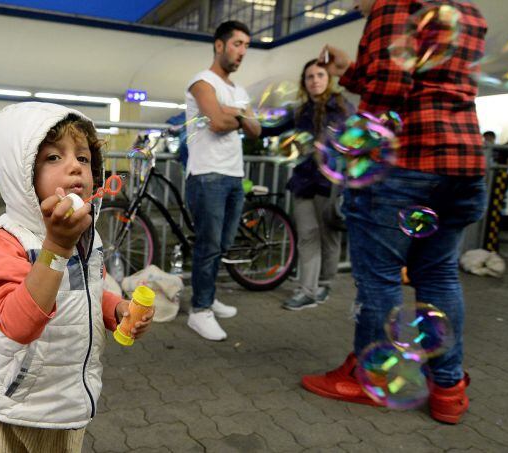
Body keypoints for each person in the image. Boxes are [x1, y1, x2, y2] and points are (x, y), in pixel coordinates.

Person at [306, 0, 487, 424]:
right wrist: (349, 70)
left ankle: (372, 377)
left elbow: (388, 91)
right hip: (463, 163)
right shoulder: (468, 11)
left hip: (408, 166)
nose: (353, 4)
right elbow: (421, 76)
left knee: (380, 277)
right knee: (439, 274)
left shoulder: (392, 4)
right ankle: (448, 388)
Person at [0, 102, 153, 452]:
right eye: (54, 158)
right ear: (21, 174)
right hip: (16, 409)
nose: (74, 167)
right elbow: (18, 324)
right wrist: (56, 246)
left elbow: (88, 290)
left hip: (68, 401)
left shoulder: (86, 234)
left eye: (83, 159)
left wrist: (117, 312)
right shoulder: (5, 241)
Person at [183, 21, 261, 341]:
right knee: (209, 244)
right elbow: (216, 122)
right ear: (219, 45)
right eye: (237, 44)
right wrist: (238, 116)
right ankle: (199, 310)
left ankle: (209, 295)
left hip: (233, 176)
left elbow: (257, 131)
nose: (242, 51)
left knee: (223, 245)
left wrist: (237, 115)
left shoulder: (240, 92)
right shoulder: (201, 82)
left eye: (246, 46)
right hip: (207, 175)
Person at [261, 59, 354, 310]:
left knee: (330, 238)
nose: (315, 80)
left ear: (328, 78)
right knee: (307, 235)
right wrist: (242, 120)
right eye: (310, 76)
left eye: (320, 75)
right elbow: (268, 129)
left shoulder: (343, 107)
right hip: (304, 182)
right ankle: (307, 290)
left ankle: (325, 283)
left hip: (331, 183)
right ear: (305, 82)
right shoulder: (299, 111)